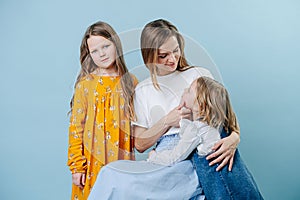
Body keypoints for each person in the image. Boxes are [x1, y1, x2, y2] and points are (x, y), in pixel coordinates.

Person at [88, 19, 239, 200]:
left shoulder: (199, 75)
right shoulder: (142, 90)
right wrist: (168, 120)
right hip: (167, 156)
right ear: (149, 56)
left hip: (199, 152)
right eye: (163, 55)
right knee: (110, 174)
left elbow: (227, 119)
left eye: (176, 51)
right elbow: (140, 145)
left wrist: (234, 139)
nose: (172, 59)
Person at [148, 76, 264, 199]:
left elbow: (174, 157)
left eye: (188, 91)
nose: (184, 91)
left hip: (225, 191)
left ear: (201, 105)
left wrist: (154, 156)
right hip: (244, 186)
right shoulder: (220, 125)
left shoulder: (196, 129)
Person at [67, 21, 138, 200]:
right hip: (91, 165)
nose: (102, 54)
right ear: (89, 55)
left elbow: (141, 123)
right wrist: (77, 166)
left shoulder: (131, 82)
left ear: (116, 44)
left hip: (122, 163)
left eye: (105, 46)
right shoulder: (85, 85)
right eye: (95, 51)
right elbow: (76, 128)